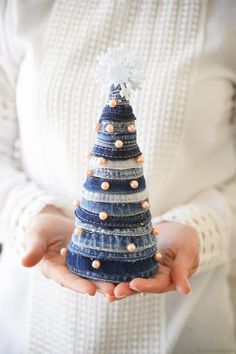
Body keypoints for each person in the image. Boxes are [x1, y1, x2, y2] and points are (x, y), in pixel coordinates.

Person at [0, 1, 236, 353]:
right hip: (29, 327)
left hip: (185, 332)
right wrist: (33, 214)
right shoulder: (21, 8)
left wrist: (201, 226)